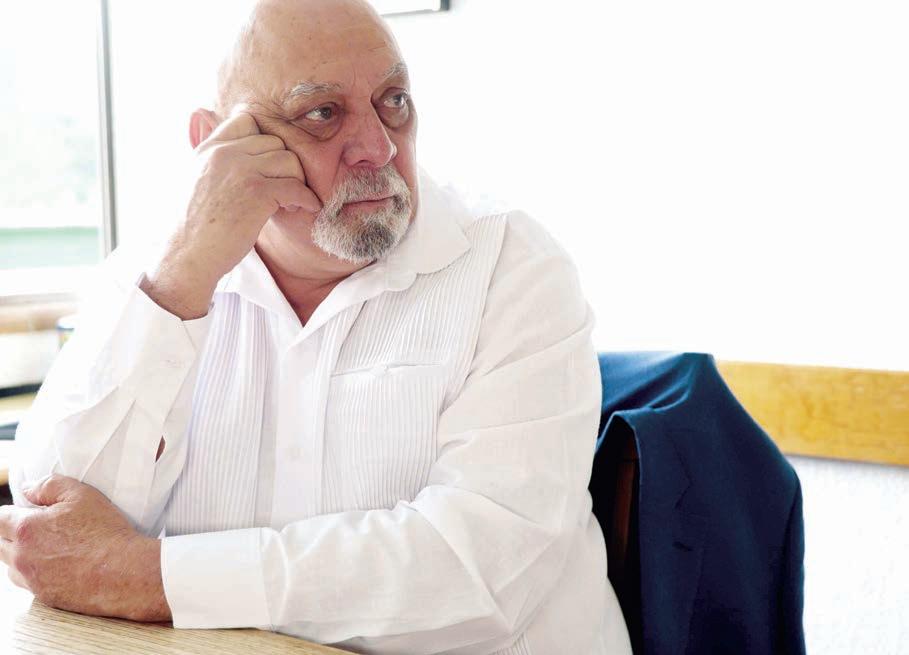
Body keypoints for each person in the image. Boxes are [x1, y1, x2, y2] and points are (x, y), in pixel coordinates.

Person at [1, 1, 632, 653]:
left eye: (393, 101)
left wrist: (147, 578)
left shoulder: (513, 267)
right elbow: (52, 528)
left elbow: (482, 572)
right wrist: (181, 283)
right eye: (322, 113)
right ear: (213, 143)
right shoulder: (156, 270)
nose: (379, 148)